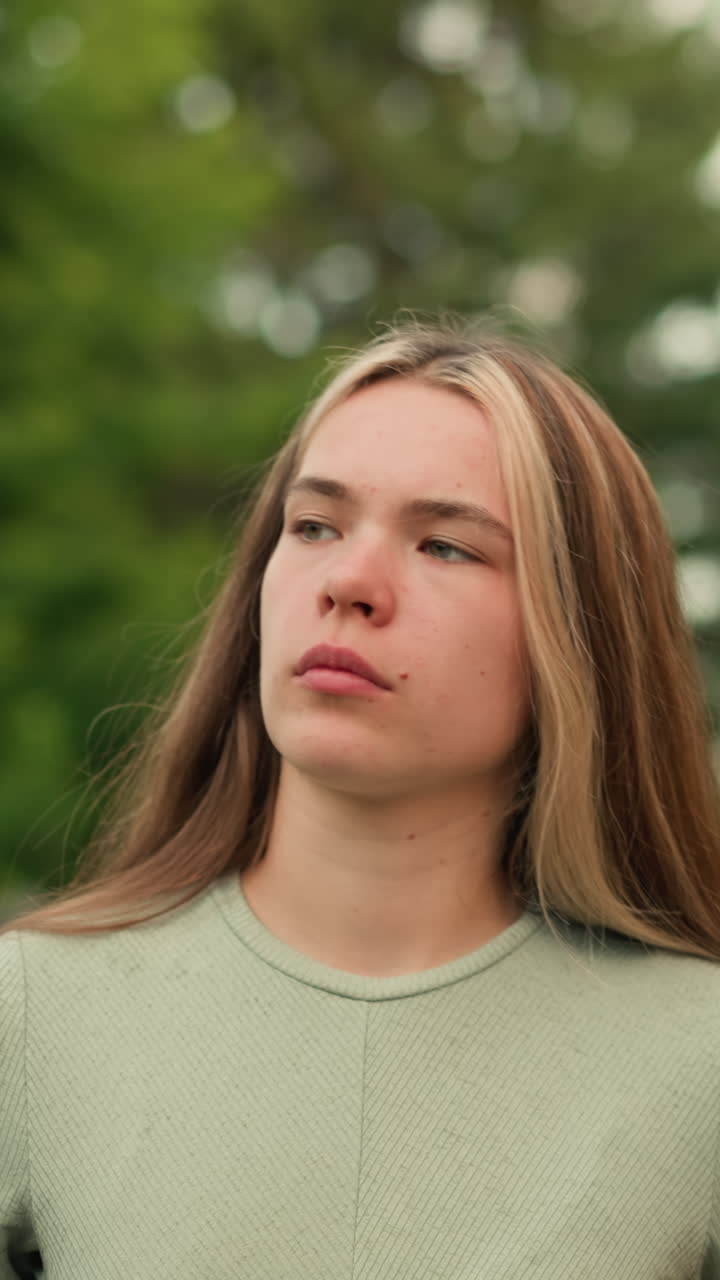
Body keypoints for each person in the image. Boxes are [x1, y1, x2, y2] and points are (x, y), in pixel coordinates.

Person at [2, 316, 720, 1278]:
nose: (348, 582)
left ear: (580, 639)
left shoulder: (698, 1061)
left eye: (447, 546)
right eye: (314, 526)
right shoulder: (33, 1013)